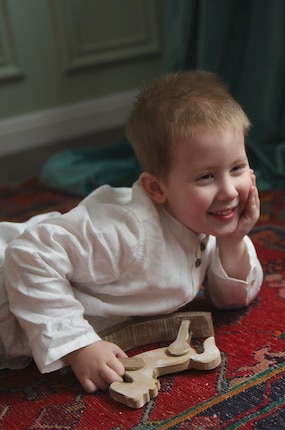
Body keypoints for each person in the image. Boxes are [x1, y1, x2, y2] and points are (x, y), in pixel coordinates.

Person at [0, 70, 263, 393]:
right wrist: (77, 344)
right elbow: (29, 254)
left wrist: (232, 240)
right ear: (156, 188)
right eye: (206, 177)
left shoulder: (200, 220)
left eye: (236, 168)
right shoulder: (127, 231)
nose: (228, 191)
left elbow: (232, 299)